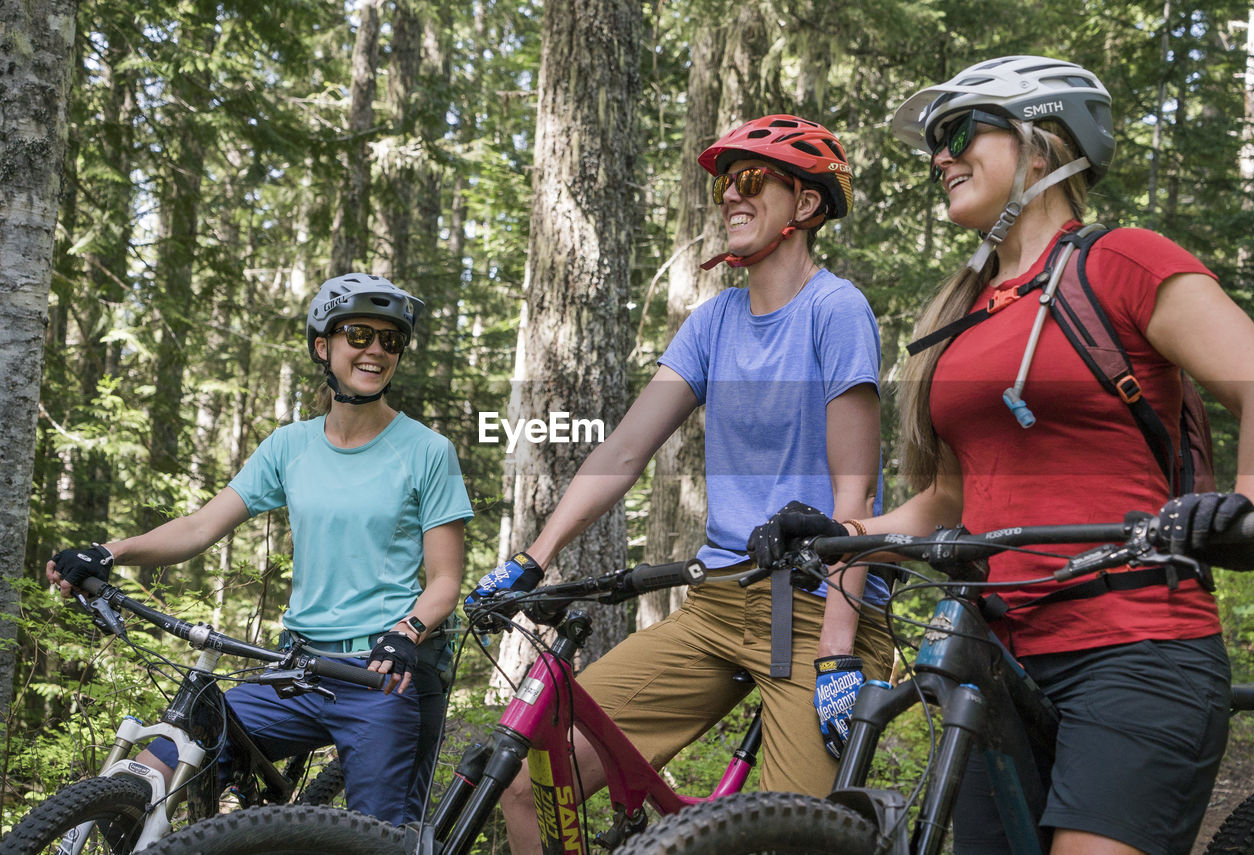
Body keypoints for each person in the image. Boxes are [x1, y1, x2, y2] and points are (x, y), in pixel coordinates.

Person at [750, 56, 1254, 855]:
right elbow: (948, 498)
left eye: (959, 131)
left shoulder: (1121, 260)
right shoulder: (962, 317)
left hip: (1136, 643)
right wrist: (837, 532)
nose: (939, 157)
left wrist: (1247, 510)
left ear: (1040, 146)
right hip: (996, 669)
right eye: (935, 143)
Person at [467, 114, 895, 854]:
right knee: (534, 782)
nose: (730, 193)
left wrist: (837, 658)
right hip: (716, 603)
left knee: (793, 839)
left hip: (818, 609)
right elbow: (625, 450)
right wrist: (533, 558)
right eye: (725, 181)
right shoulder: (714, 321)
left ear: (807, 205)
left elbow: (851, 505)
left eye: (753, 179)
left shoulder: (835, 309)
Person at [47, 273, 474, 826]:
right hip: (295, 668)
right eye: (359, 334)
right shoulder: (289, 445)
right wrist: (111, 550)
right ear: (324, 346)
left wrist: (406, 633)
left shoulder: (427, 451)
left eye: (390, 341)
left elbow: (445, 580)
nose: (375, 351)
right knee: (160, 766)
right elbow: (201, 528)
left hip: (379, 672)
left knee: (380, 837)